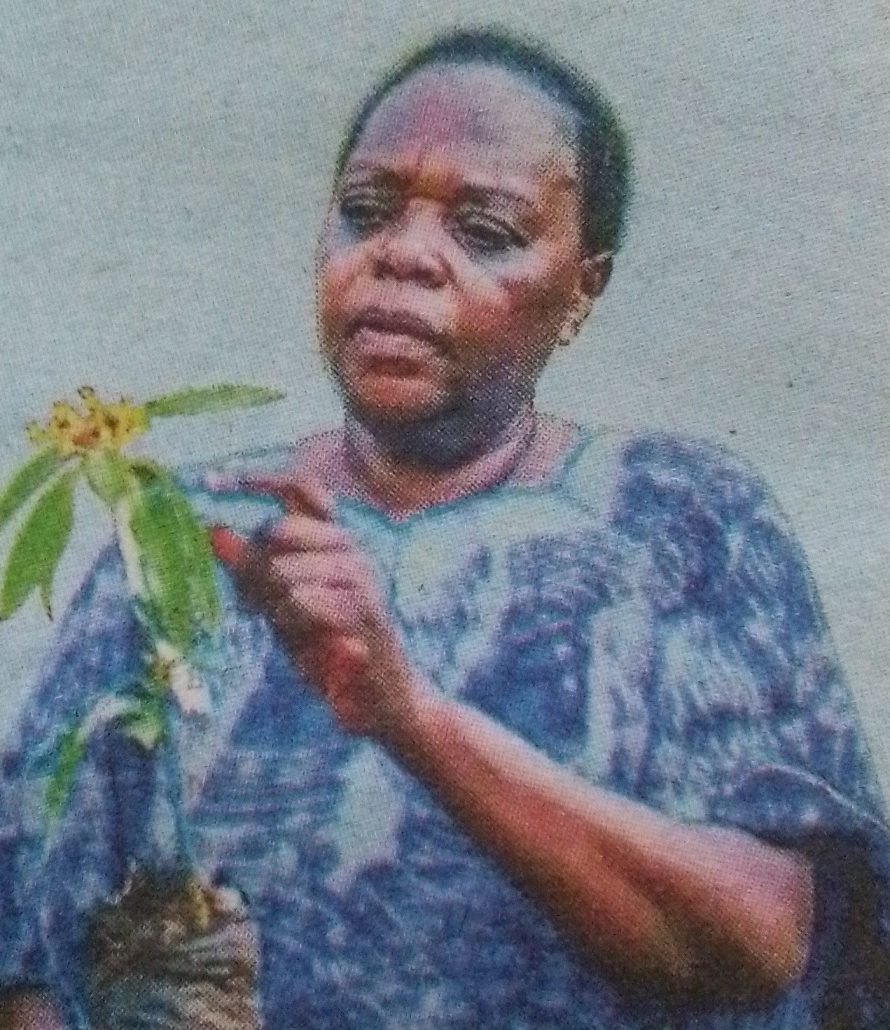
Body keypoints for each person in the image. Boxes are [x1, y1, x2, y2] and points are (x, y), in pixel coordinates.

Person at [2, 26, 889, 1029]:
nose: (403, 255)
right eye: (365, 212)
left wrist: (408, 714)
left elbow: (768, 942)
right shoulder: (183, 538)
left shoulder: (680, 519)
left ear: (582, 287)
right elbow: (27, 954)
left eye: (485, 230)